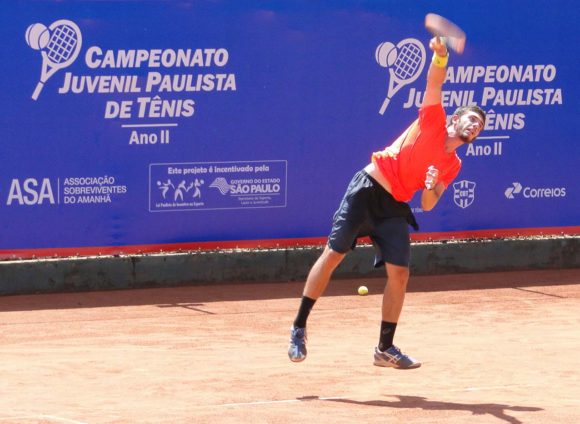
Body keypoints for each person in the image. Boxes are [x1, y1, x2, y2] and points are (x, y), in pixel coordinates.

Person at [288, 36, 486, 369]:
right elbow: (434, 83)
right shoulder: (433, 120)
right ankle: (298, 327)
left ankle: (385, 348)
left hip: (394, 206)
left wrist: (431, 185)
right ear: (455, 120)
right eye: (472, 119)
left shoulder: (453, 165)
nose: (476, 126)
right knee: (334, 255)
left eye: (480, 126)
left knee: (401, 274)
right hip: (368, 188)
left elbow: (429, 203)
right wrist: (440, 57)